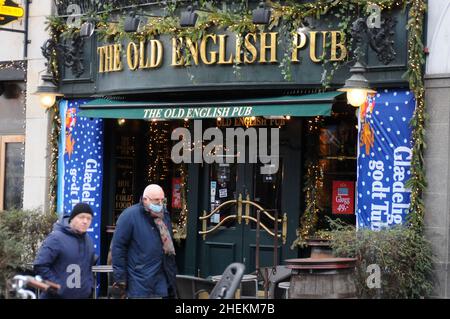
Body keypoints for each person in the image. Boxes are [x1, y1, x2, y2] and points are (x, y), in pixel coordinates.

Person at [111, 184, 178, 298]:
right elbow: (118, 249)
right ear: (145, 199)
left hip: (163, 278)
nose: (161, 203)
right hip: (139, 281)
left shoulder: (164, 215)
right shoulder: (130, 215)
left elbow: (168, 247)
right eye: (157, 200)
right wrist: (121, 279)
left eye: (163, 200)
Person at [33, 202, 96, 299]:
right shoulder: (56, 238)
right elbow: (40, 265)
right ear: (72, 218)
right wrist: (58, 287)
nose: (85, 221)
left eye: (89, 218)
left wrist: (89, 287)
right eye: (81, 217)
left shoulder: (88, 241)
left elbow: (88, 268)